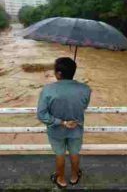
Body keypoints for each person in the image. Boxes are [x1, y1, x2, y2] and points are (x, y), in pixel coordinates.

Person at [37, 57, 91, 188]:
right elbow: (84, 106)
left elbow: (41, 114)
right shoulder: (85, 89)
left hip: (56, 130)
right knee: (74, 153)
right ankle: (74, 177)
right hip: (76, 129)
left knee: (60, 154)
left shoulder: (48, 90)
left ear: (59, 74)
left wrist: (61, 122)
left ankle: (61, 179)